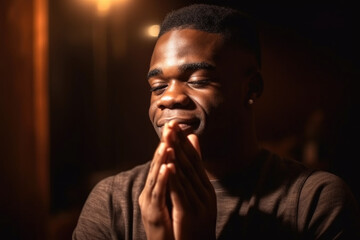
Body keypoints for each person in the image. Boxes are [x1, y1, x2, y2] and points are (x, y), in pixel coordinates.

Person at [72, 3, 360, 239]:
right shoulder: (114, 202)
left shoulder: (313, 202)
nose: (168, 97)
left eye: (198, 80)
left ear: (252, 88)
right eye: (158, 86)